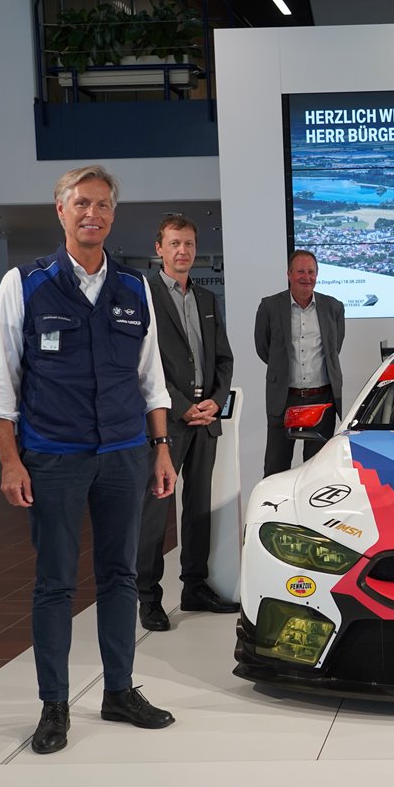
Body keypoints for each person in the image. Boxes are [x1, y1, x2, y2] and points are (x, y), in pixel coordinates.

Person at [0, 165, 178, 755]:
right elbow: (1, 384)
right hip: (54, 458)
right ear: (60, 210)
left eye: (102, 205)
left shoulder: (135, 288)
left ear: (113, 216)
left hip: (124, 455)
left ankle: (118, 691)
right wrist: (10, 462)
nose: (92, 213)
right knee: (55, 584)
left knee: (120, 576)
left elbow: (152, 380)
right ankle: (53, 707)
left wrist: (162, 449)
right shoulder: (24, 284)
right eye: (81, 203)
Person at [136, 214, 237, 632]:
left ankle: (194, 586)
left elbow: (224, 360)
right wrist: (180, 406)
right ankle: (148, 598)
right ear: (159, 248)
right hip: (168, 422)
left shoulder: (208, 300)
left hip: (205, 421)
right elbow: (142, 365)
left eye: (190, 244)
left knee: (198, 508)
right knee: (155, 514)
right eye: (175, 243)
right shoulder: (143, 295)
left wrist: (215, 400)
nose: (183, 251)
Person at [254, 249, 346, 476]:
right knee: (276, 468)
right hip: (284, 398)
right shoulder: (270, 306)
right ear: (289, 274)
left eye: (311, 272)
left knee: (318, 470)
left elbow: (335, 348)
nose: (306, 277)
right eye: (300, 271)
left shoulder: (334, 307)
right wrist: (283, 370)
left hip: (322, 398)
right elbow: (263, 348)